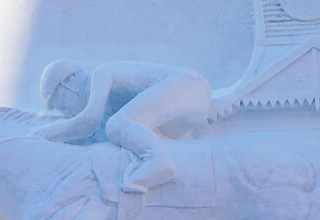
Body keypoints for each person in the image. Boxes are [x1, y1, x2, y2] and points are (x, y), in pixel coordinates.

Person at [33, 59, 211, 193]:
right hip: (180, 115)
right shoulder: (109, 105)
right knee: (116, 126)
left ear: (69, 83)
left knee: (117, 124)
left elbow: (89, 121)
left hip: (188, 86)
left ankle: (159, 161)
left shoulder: (100, 74)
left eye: (63, 106)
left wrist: (42, 135)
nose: (68, 115)